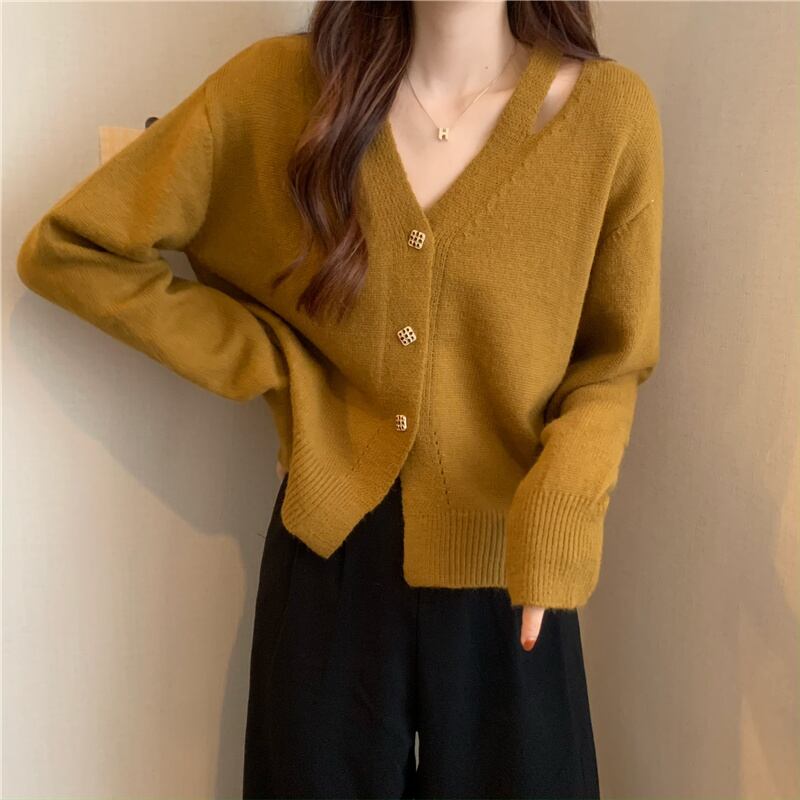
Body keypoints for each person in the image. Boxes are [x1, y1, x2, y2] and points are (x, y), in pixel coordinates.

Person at [16, 1, 664, 797]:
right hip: (330, 558)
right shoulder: (282, 89)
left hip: (515, 570)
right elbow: (75, 250)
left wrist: (561, 511)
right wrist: (279, 366)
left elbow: (610, 363)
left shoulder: (608, 117)